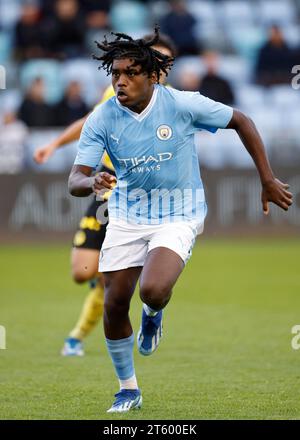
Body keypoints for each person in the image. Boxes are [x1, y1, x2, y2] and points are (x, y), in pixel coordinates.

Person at [68, 27, 293, 413]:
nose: (121, 81)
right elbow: (74, 178)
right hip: (125, 215)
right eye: (115, 74)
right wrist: (92, 180)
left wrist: (267, 178)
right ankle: (128, 389)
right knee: (114, 303)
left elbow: (242, 120)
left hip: (179, 213)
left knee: (152, 290)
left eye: (131, 73)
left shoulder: (183, 104)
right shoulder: (102, 118)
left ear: (153, 76)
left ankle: (153, 315)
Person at [33, 34, 176, 357]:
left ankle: (77, 336)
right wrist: (55, 145)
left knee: (109, 277)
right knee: (81, 270)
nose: (159, 66)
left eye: (164, 61)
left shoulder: (172, 103)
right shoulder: (116, 93)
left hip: (141, 200)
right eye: (154, 57)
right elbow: (88, 123)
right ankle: (103, 297)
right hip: (106, 190)